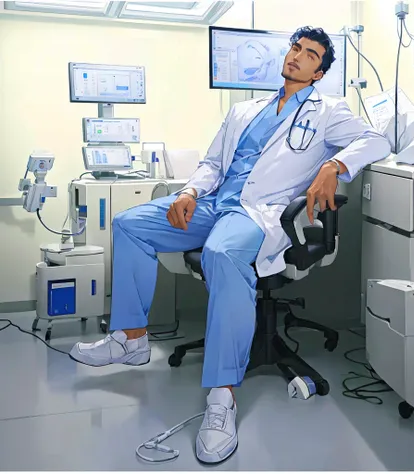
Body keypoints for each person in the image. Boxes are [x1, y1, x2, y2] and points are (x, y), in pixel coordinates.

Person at [69, 26, 391, 464]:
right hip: (213, 204)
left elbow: (377, 140)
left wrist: (336, 163)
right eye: (296, 48)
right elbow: (212, 163)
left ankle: (222, 398)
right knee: (129, 224)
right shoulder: (245, 110)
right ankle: (132, 337)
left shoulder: (329, 110)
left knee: (221, 254)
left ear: (319, 73)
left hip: (255, 212)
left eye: (310, 54)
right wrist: (188, 193)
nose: (298, 56)